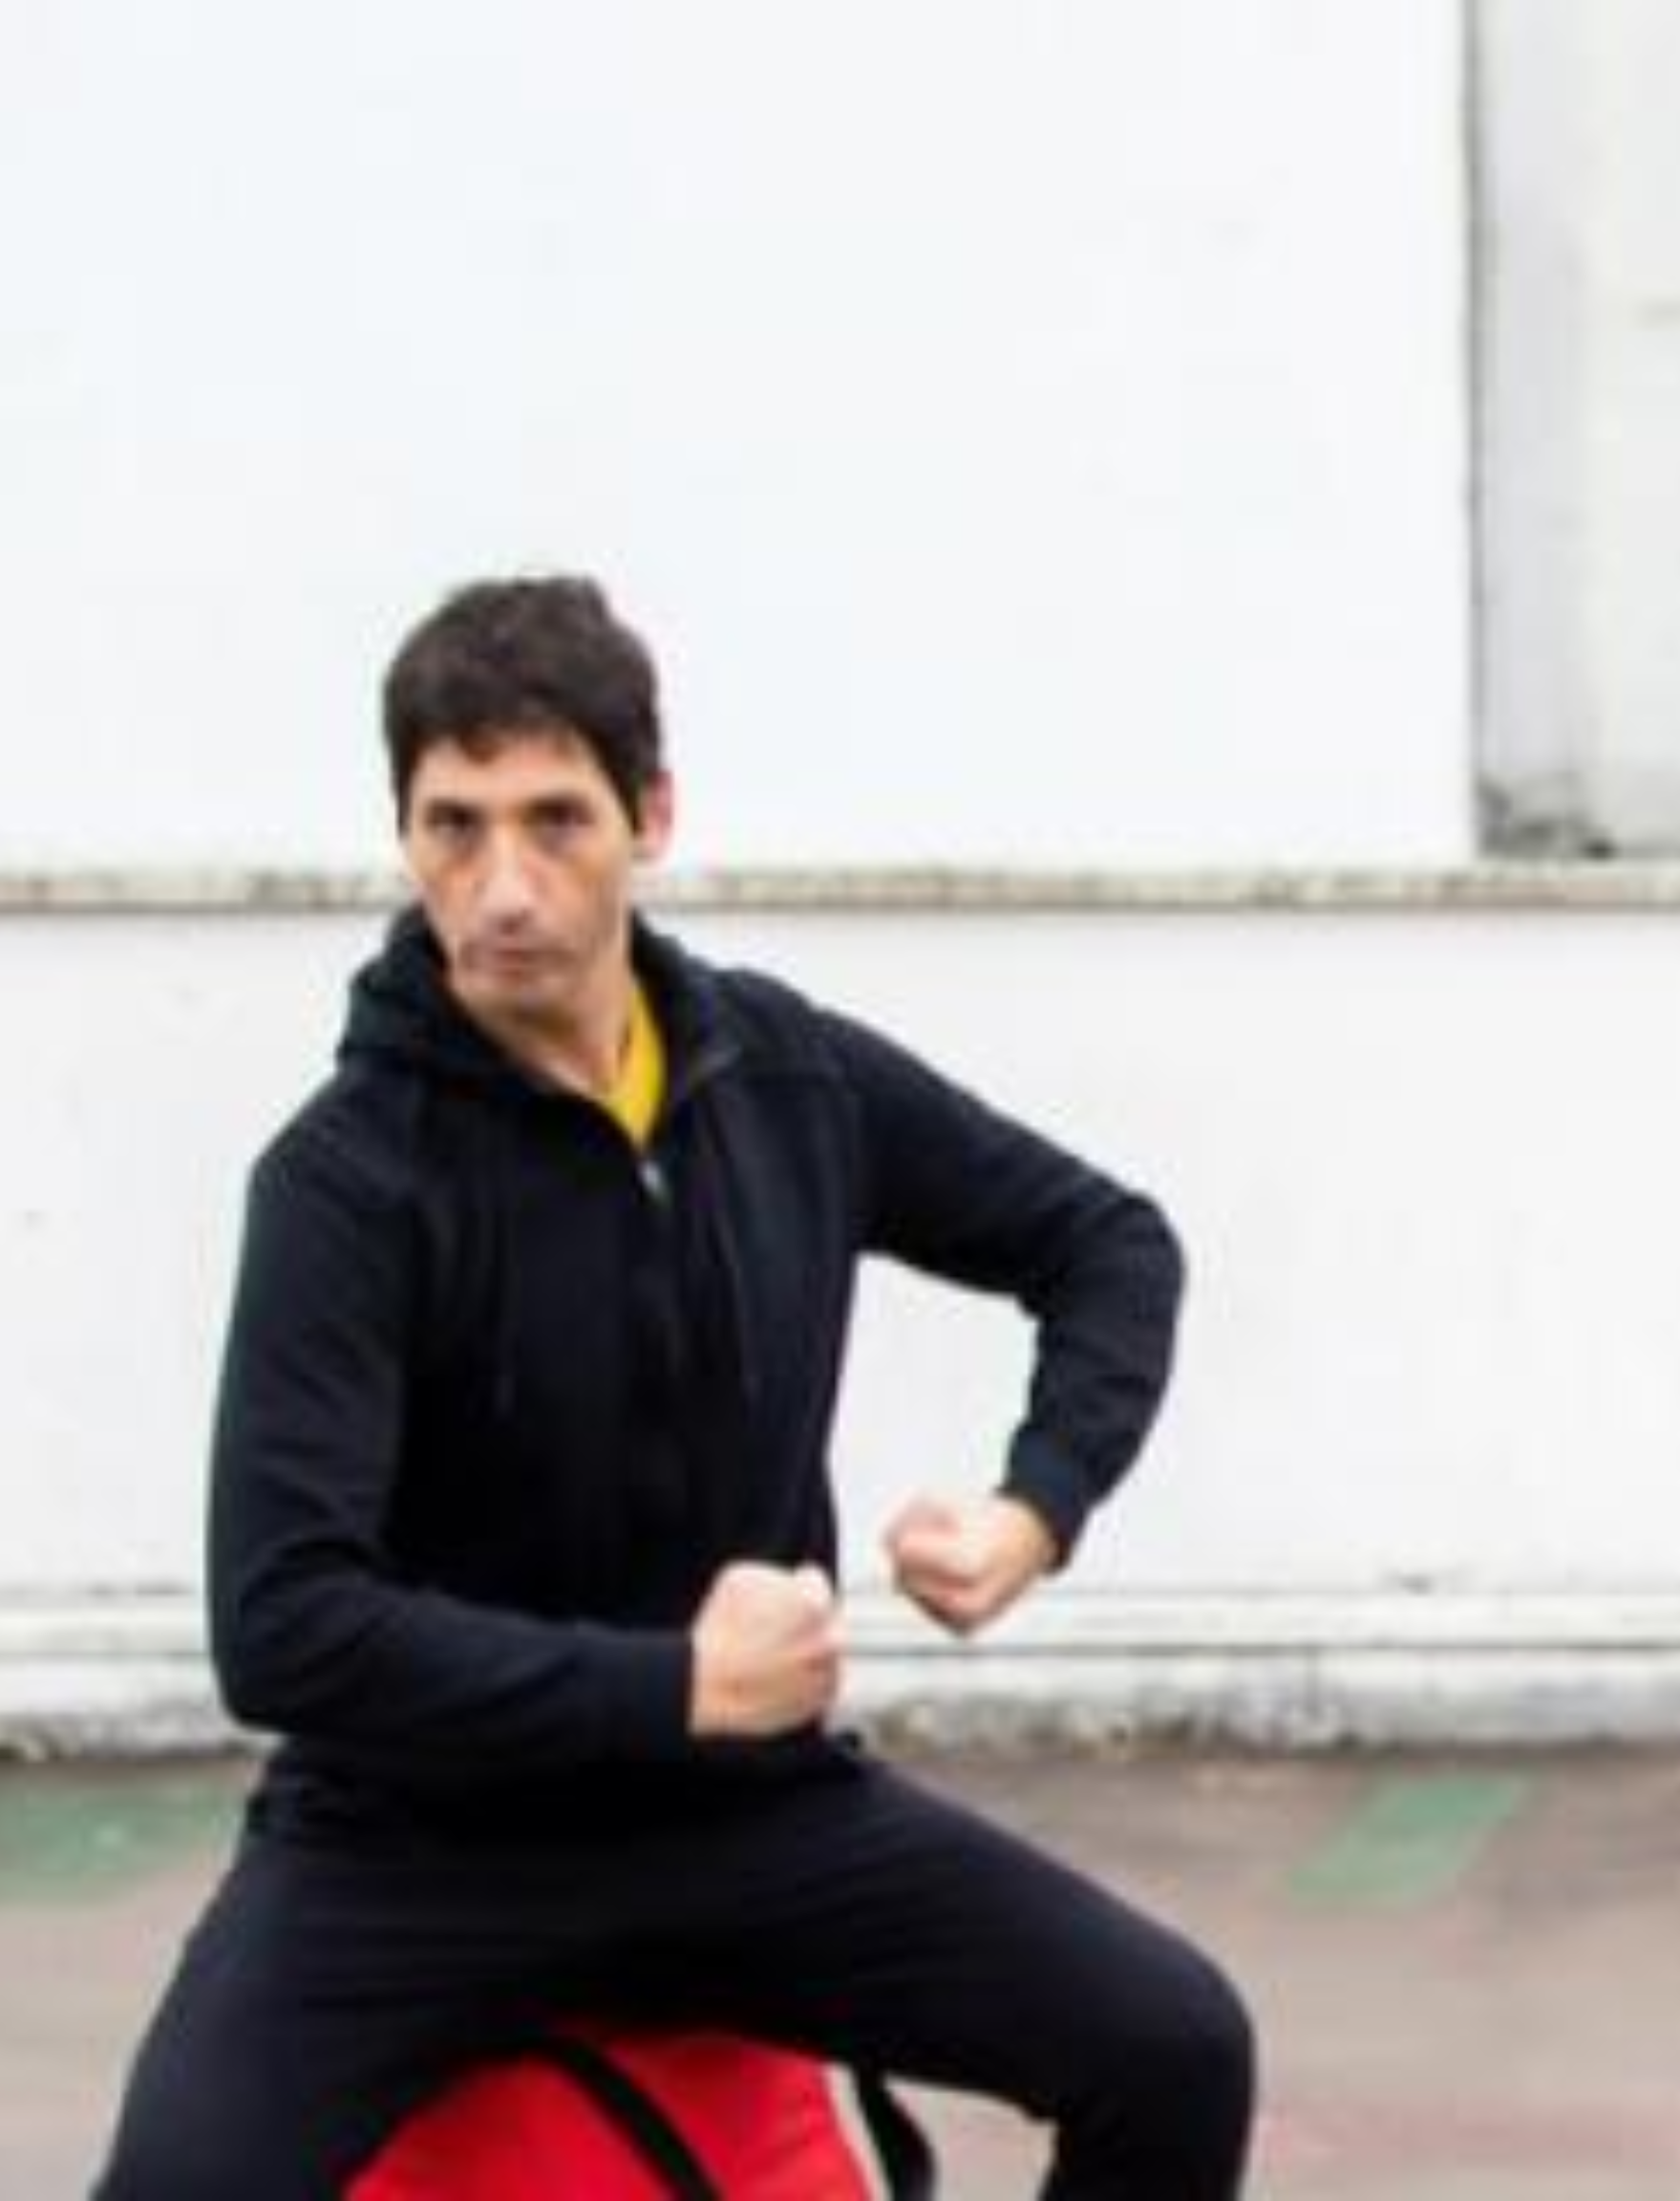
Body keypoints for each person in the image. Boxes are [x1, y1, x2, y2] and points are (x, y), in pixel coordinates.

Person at [96, 576, 1256, 2196]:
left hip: (738, 1824)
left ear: (651, 815)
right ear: (406, 836)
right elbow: (281, 1624)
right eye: (453, 827)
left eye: (555, 819)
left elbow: (1107, 1245)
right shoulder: (348, 1183)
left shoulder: (783, 1081)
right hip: (413, 1855)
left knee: (1175, 2045)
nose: (502, 886)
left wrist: (1034, 1505)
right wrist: (672, 1685)